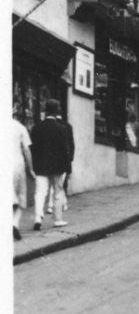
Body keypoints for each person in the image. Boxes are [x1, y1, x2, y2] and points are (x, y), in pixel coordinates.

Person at [30, 99, 72, 230]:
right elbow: (66, 150)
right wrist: (68, 168)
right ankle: (57, 219)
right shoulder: (61, 128)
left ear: (45, 110)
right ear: (57, 111)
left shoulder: (36, 128)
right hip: (57, 166)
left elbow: (33, 148)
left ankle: (38, 218)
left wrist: (33, 165)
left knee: (40, 192)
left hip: (41, 165)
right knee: (58, 192)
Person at [13, 114, 35, 241]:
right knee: (21, 197)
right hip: (16, 163)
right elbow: (26, 150)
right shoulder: (20, 127)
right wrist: (31, 169)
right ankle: (14, 223)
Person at [47, 112, 75, 213]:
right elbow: (71, 144)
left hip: (50, 160)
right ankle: (62, 204)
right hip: (63, 160)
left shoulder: (50, 125)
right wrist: (70, 159)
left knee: (52, 184)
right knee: (60, 184)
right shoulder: (67, 126)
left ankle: (52, 205)